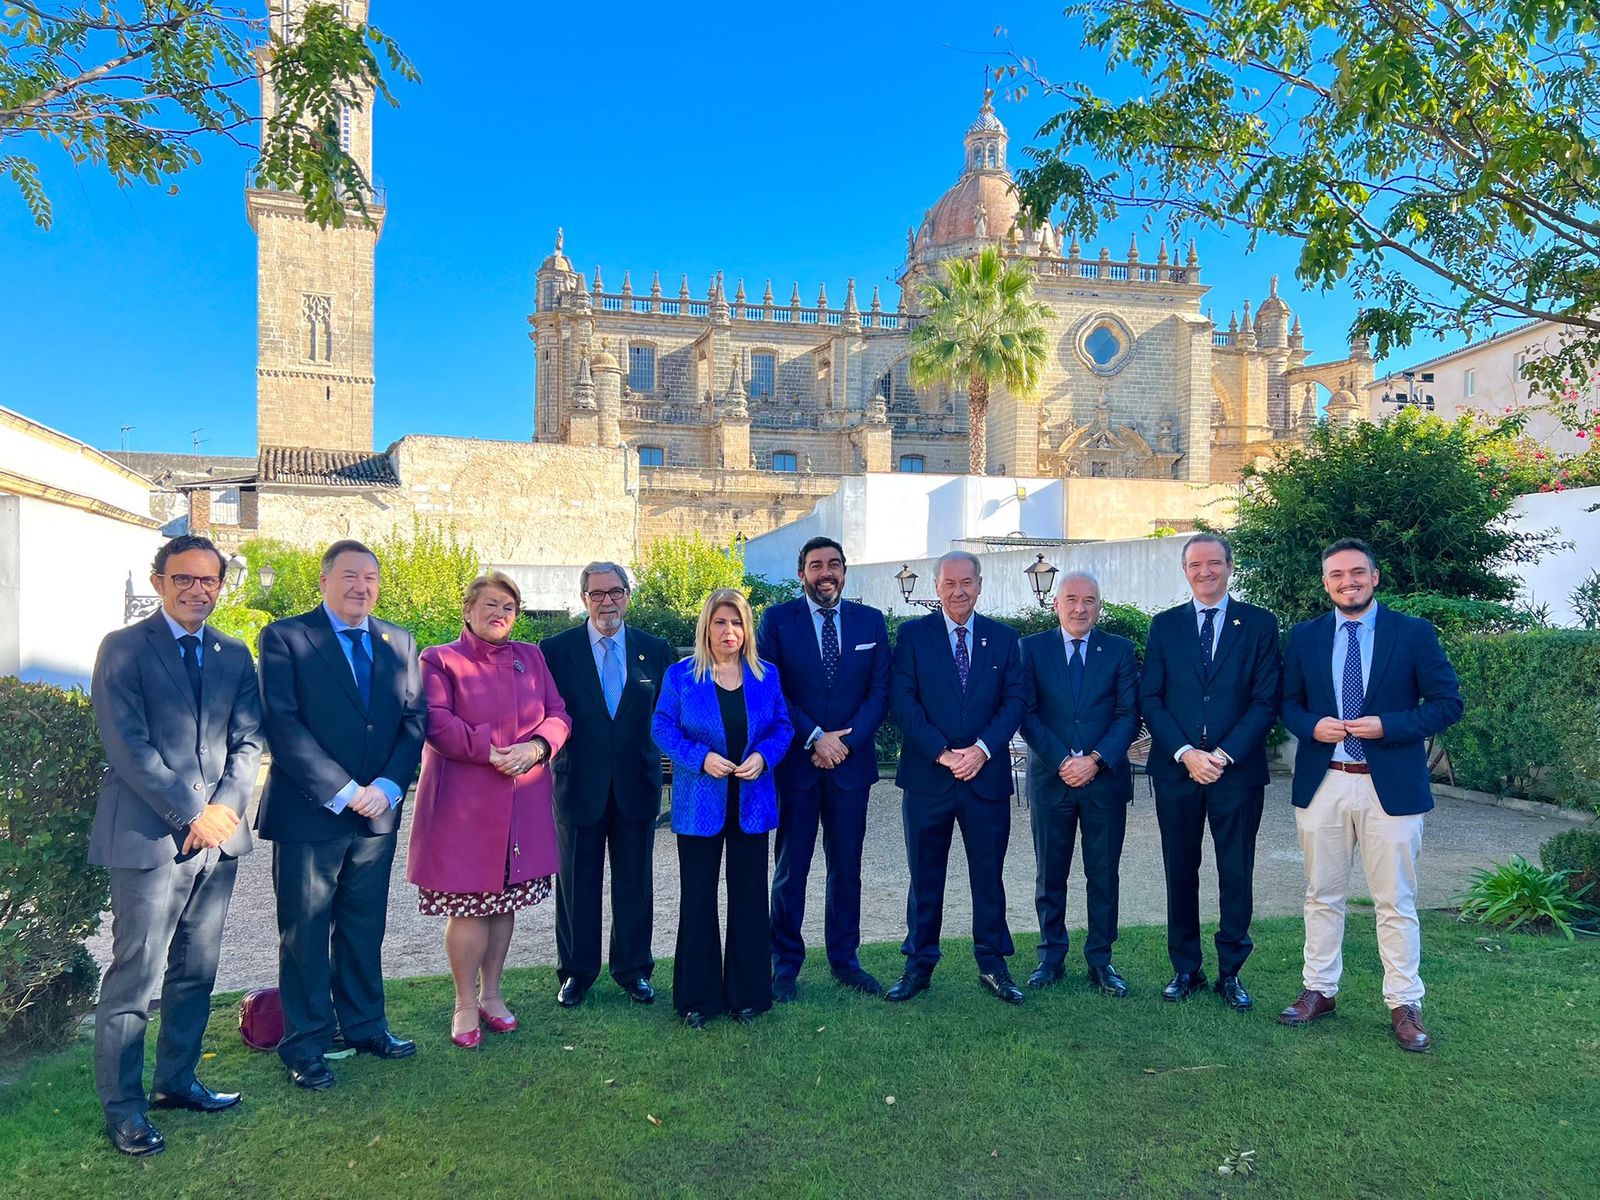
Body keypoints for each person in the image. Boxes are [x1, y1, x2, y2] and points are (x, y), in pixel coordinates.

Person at [88, 535, 263, 1156]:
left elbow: (249, 741)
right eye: (183, 578)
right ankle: (124, 1107)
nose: (197, 590)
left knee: (196, 970)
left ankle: (177, 1082)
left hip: (218, 839)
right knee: (137, 974)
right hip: (149, 837)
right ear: (159, 581)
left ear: (220, 586)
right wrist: (193, 811)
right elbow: (126, 743)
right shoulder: (124, 648)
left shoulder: (233, 653)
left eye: (208, 580)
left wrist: (224, 811)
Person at [1278, 538, 1463, 1052]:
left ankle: (1404, 1003)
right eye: (1337, 575)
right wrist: (1311, 726)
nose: (1348, 582)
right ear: (1325, 583)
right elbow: (1287, 703)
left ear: (1375, 577)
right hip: (1325, 781)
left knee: (1395, 900)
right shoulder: (1306, 636)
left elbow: (1447, 703)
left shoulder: (1414, 633)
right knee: (1321, 894)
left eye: (1357, 572)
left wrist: (1389, 726)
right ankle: (1319, 990)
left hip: (1392, 787)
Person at [257, 539, 426, 1090]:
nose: (362, 587)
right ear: (324, 581)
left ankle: (365, 1026)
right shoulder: (286, 637)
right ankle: (306, 1043)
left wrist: (388, 785)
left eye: (371, 578)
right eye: (350, 576)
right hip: (311, 812)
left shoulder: (399, 641)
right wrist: (344, 790)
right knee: (305, 931)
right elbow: (282, 723)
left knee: (363, 925)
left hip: (376, 813)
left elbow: (413, 720)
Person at [407, 572, 571, 1047]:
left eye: (508, 607)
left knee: (504, 902)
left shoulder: (531, 657)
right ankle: (464, 1003)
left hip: (522, 800)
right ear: (468, 610)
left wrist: (537, 747)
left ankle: (492, 994)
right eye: (491, 605)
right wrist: (491, 750)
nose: (500, 614)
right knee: (469, 906)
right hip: (464, 805)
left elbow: (558, 713)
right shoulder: (439, 659)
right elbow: (436, 721)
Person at [1140, 532, 1281, 1010]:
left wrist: (1221, 755)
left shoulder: (1259, 624)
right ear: (1185, 571)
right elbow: (1150, 698)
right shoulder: (1165, 626)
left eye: (1214, 563)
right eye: (1196, 565)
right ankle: (1186, 968)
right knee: (1180, 869)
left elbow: (1265, 700)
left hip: (1235, 773)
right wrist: (1186, 753)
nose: (1205, 572)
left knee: (1236, 871)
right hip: (1177, 770)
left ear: (1229, 567)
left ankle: (1231, 972)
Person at [886, 551, 1026, 1006]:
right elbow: (902, 701)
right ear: (937, 587)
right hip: (929, 778)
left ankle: (993, 964)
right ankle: (918, 965)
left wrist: (982, 749)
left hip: (985, 779)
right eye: (949, 583)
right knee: (925, 877)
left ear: (979, 585)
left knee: (989, 877)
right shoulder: (913, 636)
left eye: (967, 582)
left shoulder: (1004, 638)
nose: (959, 591)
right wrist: (943, 753)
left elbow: (1015, 701)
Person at [757, 536, 891, 1001]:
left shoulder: (871, 621)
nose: (826, 572)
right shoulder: (777, 620)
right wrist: (815, 736)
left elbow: (880, 693)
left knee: (846, 868)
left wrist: (843, 744)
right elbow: (771, 689)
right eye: (816, 565)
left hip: (851, 767)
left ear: (844, 571)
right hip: (798, 765)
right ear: (802, 574)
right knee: (791, 869)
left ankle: (845, 960)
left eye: (834, 564)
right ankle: (784, 965)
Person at [652, 588, 793, 1026]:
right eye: (720, 622)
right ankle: (697, 999)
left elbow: (783, 727)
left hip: (751, 804)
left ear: (746, 628)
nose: (728, 630)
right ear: (706, 627)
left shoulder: (766, 675)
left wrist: (764, 756)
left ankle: (747, 995)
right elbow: (662, 727)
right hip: (699, 804)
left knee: (749, 900)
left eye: (736, 622)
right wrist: (699, 759)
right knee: (698, 900)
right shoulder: (681, 675)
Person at [541, 562, 676, 1009]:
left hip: (636, 784)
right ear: (584, 598)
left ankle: (633, 970)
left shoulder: (655, 649)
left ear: (627, 596)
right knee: (576, 885)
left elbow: (665, 716)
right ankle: (576, 973)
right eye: (597, 594)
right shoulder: (555, 650)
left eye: (615, 592)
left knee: (635, 883)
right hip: (578, 783)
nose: (607, 602)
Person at [1018, 572, 1140, 997]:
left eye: (1089, 600)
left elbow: (1128, 714)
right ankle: (1050, 957)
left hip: (1103, 782)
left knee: (1103, 875)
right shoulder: (1031, 649)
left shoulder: (1119, 650)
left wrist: (1095, 760)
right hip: (1051, 780)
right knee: (1050, 875)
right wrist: (1062, 761)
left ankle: (1101, 960)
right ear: (1056, 604)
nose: (1080, 608)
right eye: (1071, 599)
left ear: (1099, 607)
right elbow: (1026, 713)